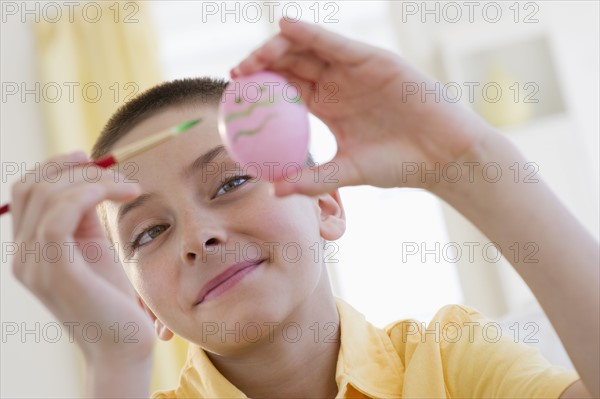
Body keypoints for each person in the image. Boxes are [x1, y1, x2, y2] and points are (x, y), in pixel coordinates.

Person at [9, 19, 597, 398]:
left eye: (228, 182)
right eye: (149, 233)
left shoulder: (448, 362)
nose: (198, 236)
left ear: (325, 205)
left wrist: (469, 157)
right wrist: (114, 364)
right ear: (143, 304)